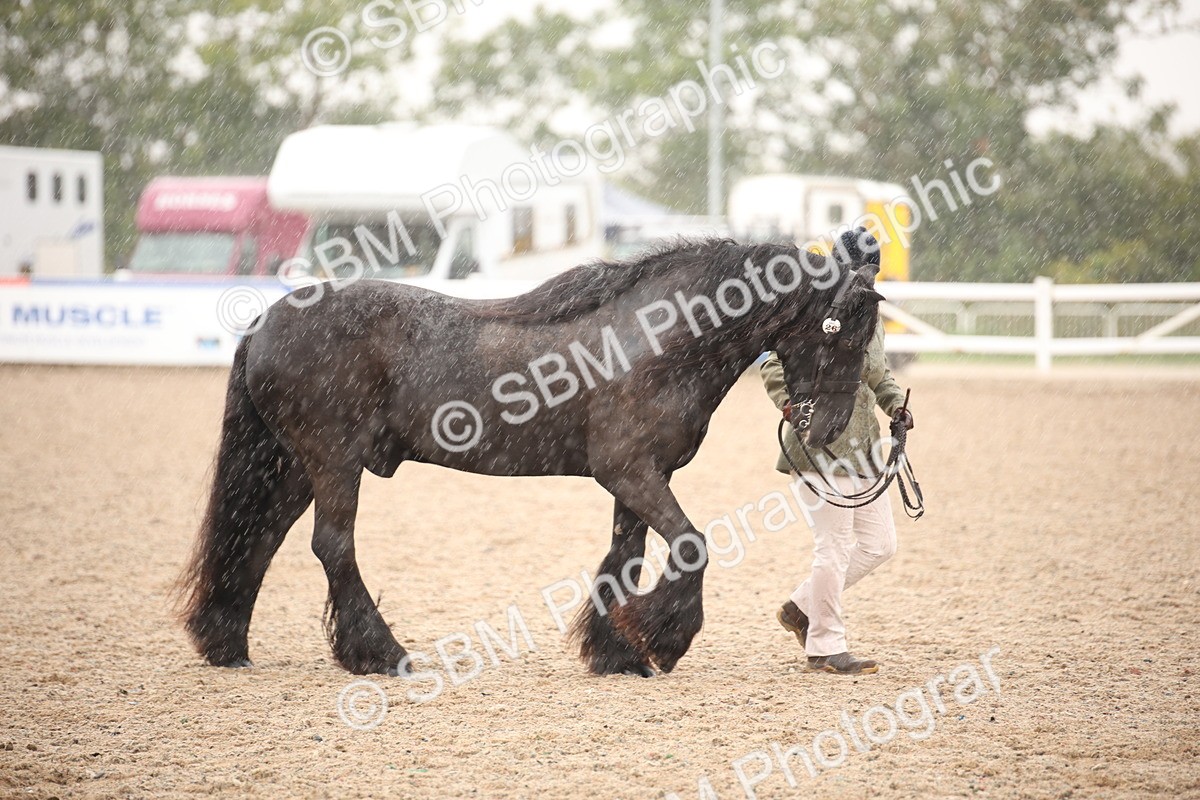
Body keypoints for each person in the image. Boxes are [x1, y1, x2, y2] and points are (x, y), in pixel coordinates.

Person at [759, 316, 913, 675]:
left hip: (863, 447)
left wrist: (896, 407)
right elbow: (772, 362)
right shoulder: (816, 313)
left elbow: (878, 374)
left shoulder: (872, 320)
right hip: (818, 446)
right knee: (834, 546)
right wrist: (789, 403)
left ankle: (800, 607)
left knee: (881, 543)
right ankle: (825, 647)